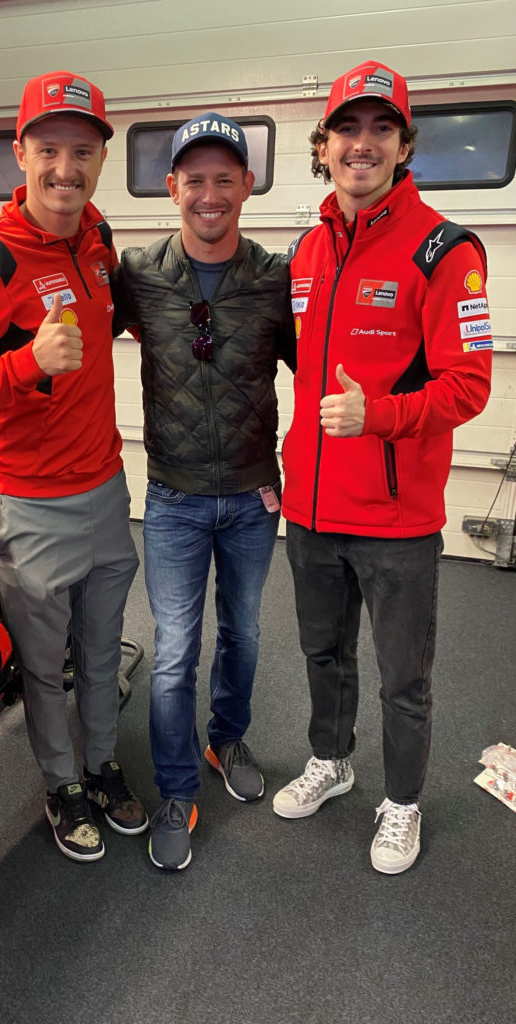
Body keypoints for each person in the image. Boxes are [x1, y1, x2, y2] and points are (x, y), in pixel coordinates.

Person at [0, 70, 146, 863]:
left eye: (81, 151)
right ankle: (63, 784)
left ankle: (103, 761)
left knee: (104, 641)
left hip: (107, 491)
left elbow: (108, 322)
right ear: (20, 152)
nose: (64, 169)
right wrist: (27, 365)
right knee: (44, 668)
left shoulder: (99, 235)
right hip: (32, 507)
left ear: (99, 159)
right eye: (48, 149)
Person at [273, 61, 493, 874]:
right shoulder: (305, 248)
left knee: (405, 679)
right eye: (347, 130)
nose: (362, 144)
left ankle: (402, 805)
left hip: (398, 521)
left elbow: (469, 385)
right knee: (321, 656)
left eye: (380, 129)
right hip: (313, 512)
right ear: (323, 145)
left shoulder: (446, 249)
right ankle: (333, 762)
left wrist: (381, 417)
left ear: (404, 145)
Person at [112, 113, 296, 870]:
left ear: (248, 185)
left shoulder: (276, 276)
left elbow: (319, 367)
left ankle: (226, 741)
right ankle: (179, 792)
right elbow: (73, 330)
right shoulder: (139, 274)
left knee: (245, 635)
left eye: (226, 178)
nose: (210, 194)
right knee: (173, 652)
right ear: (172, 188)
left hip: (254, 499)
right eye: (196, 180)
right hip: (174, 501)